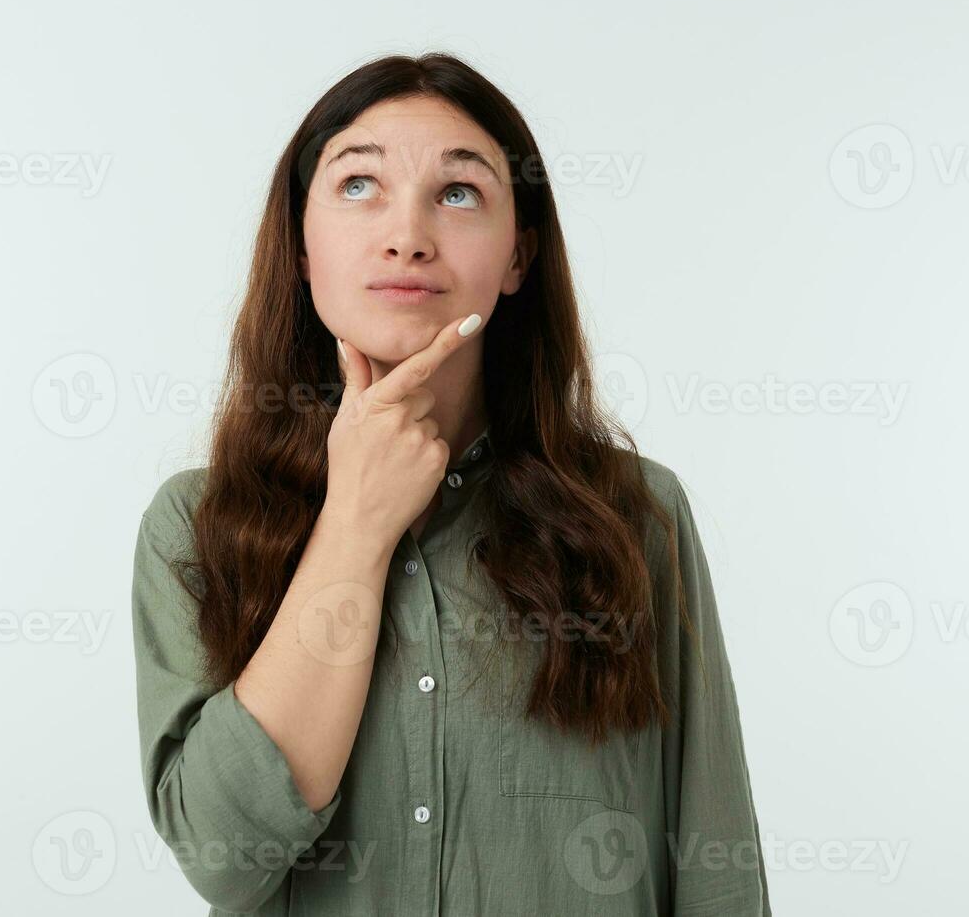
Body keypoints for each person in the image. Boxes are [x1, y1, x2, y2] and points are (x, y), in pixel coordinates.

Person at [130, 52, 771, 915]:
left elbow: (713, 857)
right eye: (359, 185)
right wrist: (355, 523)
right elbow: (224, 858)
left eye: (459, 193)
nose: (408, 235)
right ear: (302, 246)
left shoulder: (636, 516)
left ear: (518, 256)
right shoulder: (196, 524)